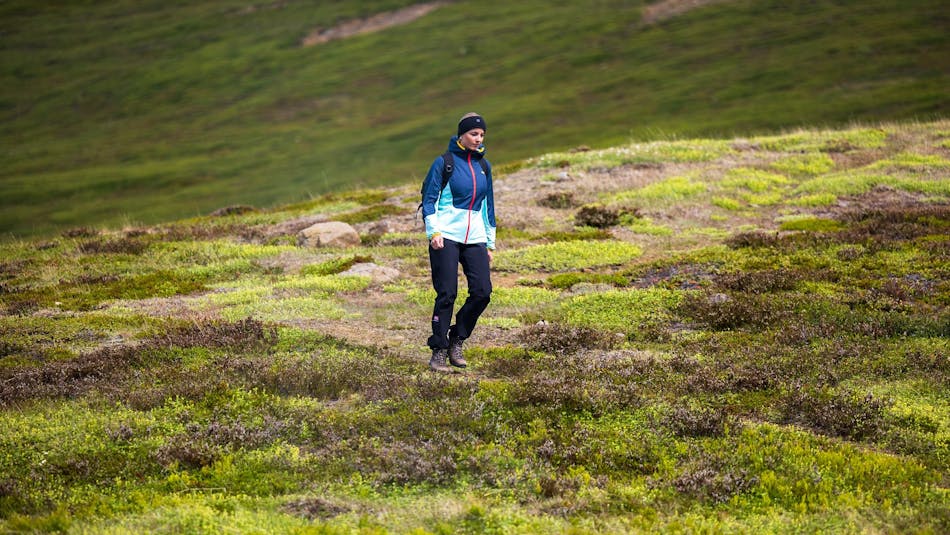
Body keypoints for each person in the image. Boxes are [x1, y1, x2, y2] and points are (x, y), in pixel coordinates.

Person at [421, 113, 496, 372]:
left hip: (475, 237)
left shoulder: (484, 166)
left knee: (482, 292)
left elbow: (488, 207)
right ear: (462, 135)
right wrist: (434, 233)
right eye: (474, 134)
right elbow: (429, 200)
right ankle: (439, 350)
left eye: (482, 135)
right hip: (446, 236)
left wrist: (489, 243)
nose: (478, 139)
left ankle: (457, 338)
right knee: (447, 293)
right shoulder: (444, 163)